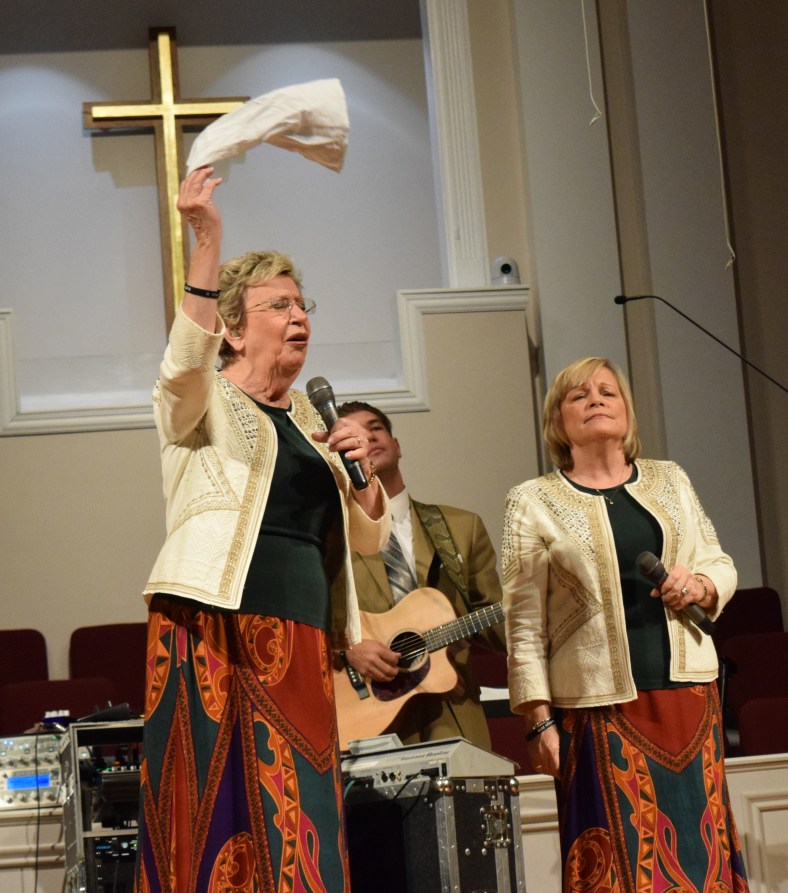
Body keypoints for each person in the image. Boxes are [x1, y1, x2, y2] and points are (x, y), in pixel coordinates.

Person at [135, 167, 389, 893]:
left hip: (303, 635)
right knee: (210, 803)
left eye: (302, 303)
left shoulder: (314, 420)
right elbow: (183, 359)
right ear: (235, 327)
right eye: (279, 304)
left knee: (298, 814)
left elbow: (367, 541)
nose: (299, 315)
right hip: (211, 624)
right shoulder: (200, 398)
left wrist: (362, 479)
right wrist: (206, 239)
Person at [502, 356, 749, 892]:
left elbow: (719, 563)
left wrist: (700, 585)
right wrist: (538, 721)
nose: (595, 399)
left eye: (607, 391)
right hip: (596, 708)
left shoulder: (670, 479)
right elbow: (523, 624)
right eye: (579, 395)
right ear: (558, 421)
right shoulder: (532, 500)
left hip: (688, 698)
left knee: (700, 854)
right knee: (613, 864)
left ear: (627, 411)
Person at [337, 400, 505, 747]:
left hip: (451, 707)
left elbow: (497, 630)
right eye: (355, 435)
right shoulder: (330, 537)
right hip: (366, 716)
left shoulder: (462, 527)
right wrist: (347, 650)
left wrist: (538, 608)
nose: (369, 437)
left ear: (397, 445)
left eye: (376, 428)